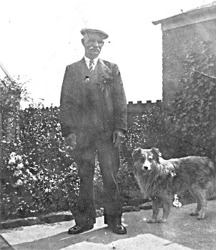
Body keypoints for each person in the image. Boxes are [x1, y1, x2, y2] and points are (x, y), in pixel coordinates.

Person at [59, 28, 127, 235]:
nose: (95, 45)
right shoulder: (72, 70)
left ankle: (114, 221)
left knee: (110, 177)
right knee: (84, 177)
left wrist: (120, 128)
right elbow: (66, 103)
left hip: (107, 134)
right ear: (83, 42)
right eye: (91, 41)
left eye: (100, 42)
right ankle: (85, 221)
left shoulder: (111, 69)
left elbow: (120, 100)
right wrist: (69, 131)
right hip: (83, 135)